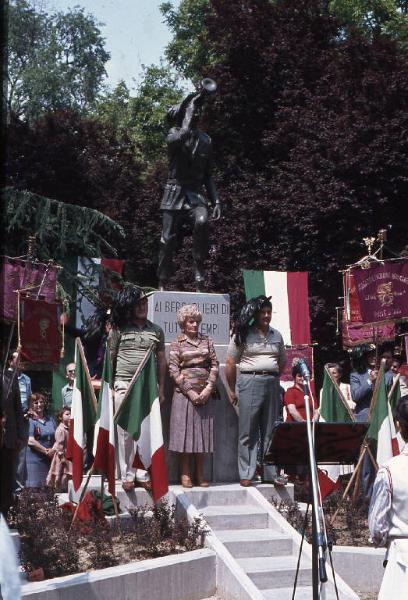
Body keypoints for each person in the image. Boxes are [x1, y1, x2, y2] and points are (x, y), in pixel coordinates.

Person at [157, 82, 221, 290]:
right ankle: (163, 280)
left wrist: (216, 200)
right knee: (167, 239)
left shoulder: (206, 140)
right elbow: (179, 137)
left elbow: (208, 175)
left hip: (195, 192)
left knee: (202, 221)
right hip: (174, 190)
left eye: (197, 111)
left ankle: (199, 275)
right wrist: (188, 110)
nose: (195, 114)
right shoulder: (174, 133)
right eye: (192, 111)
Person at [225, 295, 287, 487]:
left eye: (269, 312)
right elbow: (229, 362)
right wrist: (232, 389)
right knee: (248, 431)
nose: (266, 316)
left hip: (271, 382)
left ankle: (270, 473)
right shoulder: (243, 334)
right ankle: (247, 473)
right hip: (249, 381)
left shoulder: (277, 335)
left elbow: (282, 361)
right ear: (256, 314)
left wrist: (271, 374)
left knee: (270, 430)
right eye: (263, 312)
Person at [110, 285, 167, 491]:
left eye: (145, 303)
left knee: (144, 431)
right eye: (138, 303)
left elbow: (161, 361)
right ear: (131, 306)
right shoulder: (119, 329)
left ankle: (142, 474)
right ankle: (127, 474)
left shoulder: (156, 331)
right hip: (123, 382)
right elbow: (111, 357)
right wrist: (109, 386)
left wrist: (161, 390)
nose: (142, 307)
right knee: (126, 430)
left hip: (146, 388)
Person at [168, 304, 219, 487]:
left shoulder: (207, 341)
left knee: (202, 434)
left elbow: (214, 365)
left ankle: (200, 473)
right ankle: (185, 473)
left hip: (205, 394)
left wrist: (208, 388)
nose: (195, 325)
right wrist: (189, 390)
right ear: (183, 323)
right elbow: (173, 369)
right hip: (184, 394)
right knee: (185, 434)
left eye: (197, 321)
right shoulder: (177, 343)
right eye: (191, 321)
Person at [368, 395, 408, 599]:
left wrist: (382, 539)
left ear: (398, 425)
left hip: (402, 557)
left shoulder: (389, 471)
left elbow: (377, 527)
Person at [0, 362, 27, 518]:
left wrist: (18, 434)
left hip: (8, 436)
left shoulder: (11, 376)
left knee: (7, 475)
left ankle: (4, 513)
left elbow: (17, 407)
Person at [350, 345, 393, 422]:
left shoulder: (388, 375)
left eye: (376, 355)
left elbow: (390, 394)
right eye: (370, 355)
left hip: (384, 418)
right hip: (364, 417)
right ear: (365, 357)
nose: (374, 357)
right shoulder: (356, 375)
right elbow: (355, 396)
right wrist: (370, 381)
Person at [8, 351, 31, 490]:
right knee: (9, 453)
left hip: (23, 420)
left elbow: (28, 398)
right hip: (9, 422)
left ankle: (18, 489)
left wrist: (29, 411)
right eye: (18, 359)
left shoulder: (27, 379)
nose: (21, 362)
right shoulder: (6, 377)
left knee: (21, 456)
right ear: (11, 361)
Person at [26, 394, 56, 488]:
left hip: (49, 460)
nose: (39, 404)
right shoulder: (30, 420)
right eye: (36, 403)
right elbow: (30, 441)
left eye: (41, 402)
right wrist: (46, 451)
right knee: (35, 489)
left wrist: (52, 450)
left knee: (48, 487)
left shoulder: (51, 420)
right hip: (34, 461)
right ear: (31, 405)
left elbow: (57, 437)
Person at [46, 406, 72, 492]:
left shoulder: (69, 428)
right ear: (60, 417)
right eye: (67, 414)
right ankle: (59, 490)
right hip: (62, 457)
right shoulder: (60, 430)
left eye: (70, 414)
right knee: (61, 474)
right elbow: (59, 444)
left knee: (67, 474)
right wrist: (62, 457)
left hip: (68, 455)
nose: (69, 416)